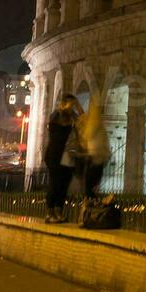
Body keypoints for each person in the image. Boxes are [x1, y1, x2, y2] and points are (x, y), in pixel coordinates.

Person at [44, 94, 80, 223]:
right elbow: (57, 131)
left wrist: (78, 107)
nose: (72, 107)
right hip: (56, 155)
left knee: (64, 185)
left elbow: (83, 119)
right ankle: (50, 212)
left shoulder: (73, 117)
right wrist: (69, 119)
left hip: (69, 156)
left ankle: (59, 211)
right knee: (55, 183)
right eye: (70, 104)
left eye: (73, 104)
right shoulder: (57, 115)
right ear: (64, 103)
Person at [78, 99, 111, 198]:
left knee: (90, 183)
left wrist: (81, 128)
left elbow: (87, 136)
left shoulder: (93, 123)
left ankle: (90, 201)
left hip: (94, 156)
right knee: (93, 182)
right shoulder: (99, 124)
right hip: (98, 156)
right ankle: (91, 200)